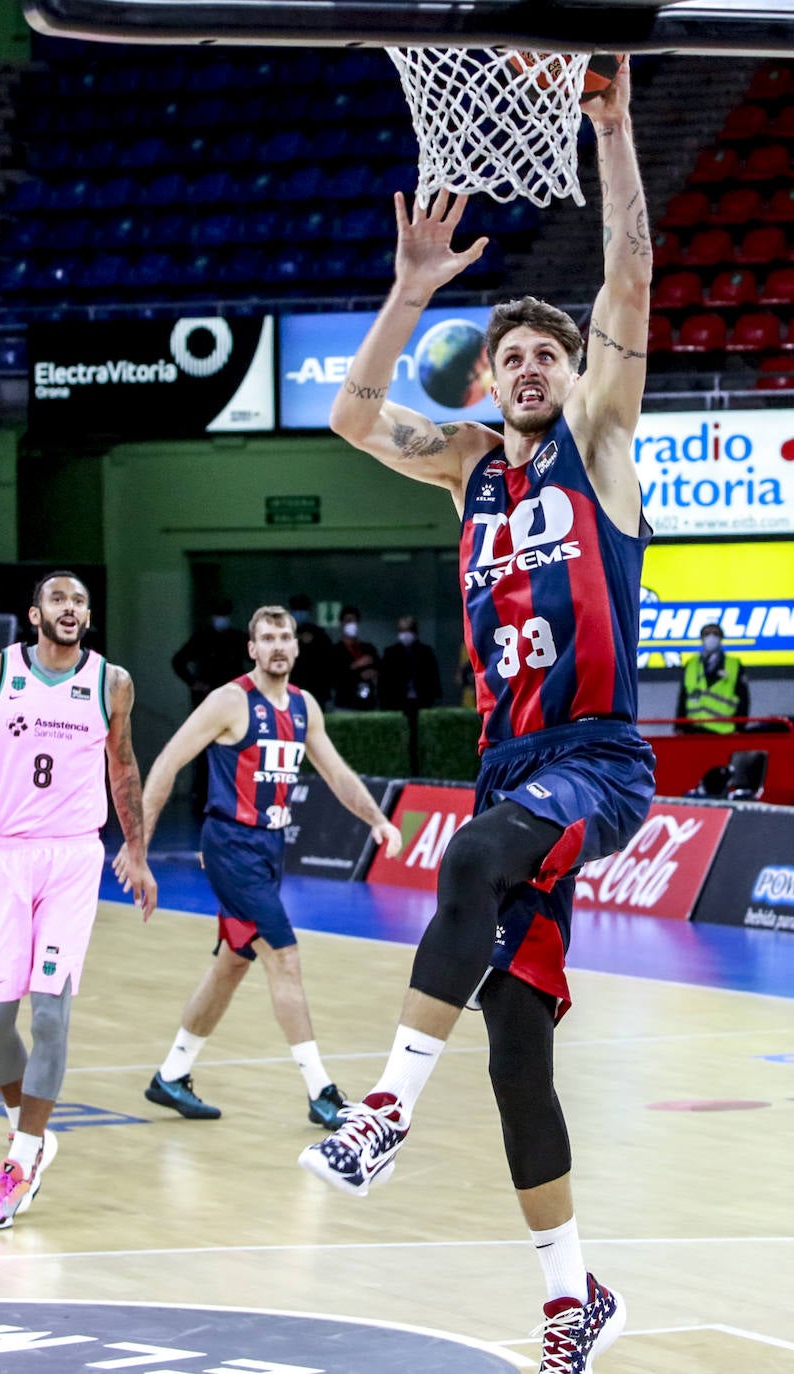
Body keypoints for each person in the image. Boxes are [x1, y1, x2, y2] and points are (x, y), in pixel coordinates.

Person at [298, 63, 655, 1373]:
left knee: (469, 857)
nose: (530, 367)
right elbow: (349, 415)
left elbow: (631, 273)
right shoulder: (463, 473)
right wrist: (409, 290)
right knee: (515, 1050)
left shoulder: (597, 443)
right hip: (516, 767)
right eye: (512, 356)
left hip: (596, 762)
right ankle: (573, 1297)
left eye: (548, 353)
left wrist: (611, 129)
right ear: (489, 379)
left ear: (572, 372)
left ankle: (383, 1111)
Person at [114, 604, 402, 1129]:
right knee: (284, 957)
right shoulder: (230, 701)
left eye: (284, 637)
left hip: (270, 848)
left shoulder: (304, 707)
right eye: (266, 638)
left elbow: (336, 774)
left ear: (296, 646)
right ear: (252, 649)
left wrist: (378, 820)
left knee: (232, 963)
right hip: (230, 845)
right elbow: (167, 762)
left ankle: (172, 1075)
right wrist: (138, 848)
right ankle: (321, 1091)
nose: (277, 646)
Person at [0, 570, 156, 1231]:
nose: (70, 608)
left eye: (79, 601)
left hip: (72, 858)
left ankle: (21, 1160)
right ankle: (26, 1131)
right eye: (58, 599)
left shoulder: (111, 683)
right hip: (5, 855)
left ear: (87, 616)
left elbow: (123, 765)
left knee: (51, 1016)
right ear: (35, 615)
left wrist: (137, 850)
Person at [172, 597, 250, 818]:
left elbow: (256, 661)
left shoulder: (237, 638)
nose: (221, 619)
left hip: (233, 701)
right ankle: (203, 796)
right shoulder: (203, 637)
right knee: (205, 748)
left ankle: (233, 795)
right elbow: (178, 661)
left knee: (234, 747)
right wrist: (193, 682)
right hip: (207, 701)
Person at [675, 623, 750, 734]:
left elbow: (744, 699)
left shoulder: (734, 665)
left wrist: (739, 728)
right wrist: (679, 726)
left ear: (721, 638)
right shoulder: (691, 664)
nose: (711, 637)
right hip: (693, 730)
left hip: (724, 731)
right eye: (707, 634)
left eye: (715, 633)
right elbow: (683, 697)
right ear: (701, 638)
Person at [378, 616, 442, 712]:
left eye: (408, 630)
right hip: (396, 699)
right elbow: (384, 679)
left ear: (415, 631)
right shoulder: (390, 653)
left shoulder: (425, 652)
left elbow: (433, 675)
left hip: (423, 699)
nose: (405, 634)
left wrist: (437, 696)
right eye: (402, 630)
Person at [288, 592, 334, 708]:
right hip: (292, 688)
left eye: (302, 610)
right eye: (296, 610)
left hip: (316, 688)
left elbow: (328, 658)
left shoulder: (318, 633)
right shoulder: (284, 633)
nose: (299, 613)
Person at [331, 604, 380, 710]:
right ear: (341, 623)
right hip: (345, 703)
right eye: (348, 621)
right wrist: (356, 665)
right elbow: (334, 677)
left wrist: (374, 673)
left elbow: (380, 668)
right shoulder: (335, 651)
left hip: (368, 703)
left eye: (354, 621)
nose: (352, 624)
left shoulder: (368, 648)